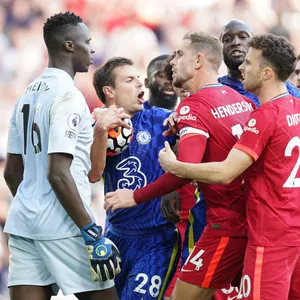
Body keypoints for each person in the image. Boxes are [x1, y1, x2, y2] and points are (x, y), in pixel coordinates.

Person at [104, 31, 256, 299]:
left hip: (225, 226)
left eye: (180, 54)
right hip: (255, 221)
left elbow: (182, 170)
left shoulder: (192, 108)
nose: (173, 61)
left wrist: (135, 196)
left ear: (198, 60)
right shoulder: (239, 99)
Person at [158, 34, 300, 300]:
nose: (241, 68)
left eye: (249, 62)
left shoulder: (265, 115)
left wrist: (175, 166)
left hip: (269, 236)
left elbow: (225, 172)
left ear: (267, 72)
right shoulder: (296, 106)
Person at [3, 12, 122, 300]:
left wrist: (35, 203)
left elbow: (11, 172)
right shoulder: (68, 96)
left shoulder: (26, 94)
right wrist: (90, 231)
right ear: (69, 45)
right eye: (87, 41)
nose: (91, 49)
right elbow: (57, 172)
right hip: (65, 224)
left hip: (23, 224)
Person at [91, 57, 181, 299]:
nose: (139, 85)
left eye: (139, 80)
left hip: (156, 240)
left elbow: (189, 143)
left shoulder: (161, 119)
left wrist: (174, 182)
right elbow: (93, 173)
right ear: (109, 91)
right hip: (116, 237)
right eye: (129, 80)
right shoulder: (95, 125)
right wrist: (100, 131)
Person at [218, 19, 300, 106]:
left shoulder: (283, 88)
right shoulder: (215, 91)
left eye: (242, 37)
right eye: (227, 39)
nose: (235, 42)